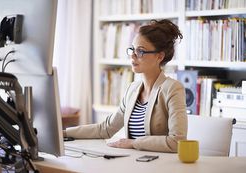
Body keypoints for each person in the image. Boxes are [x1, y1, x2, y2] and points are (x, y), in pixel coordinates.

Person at [64, 19, 187, 153]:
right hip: (132, 163)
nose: (133, 56)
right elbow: (105, 129)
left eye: (140, 51)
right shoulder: (132, 89)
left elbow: (177, 142)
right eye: (132, 49)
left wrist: (133, 143)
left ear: (159, 56)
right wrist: (64, 133)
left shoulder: (172, 88)